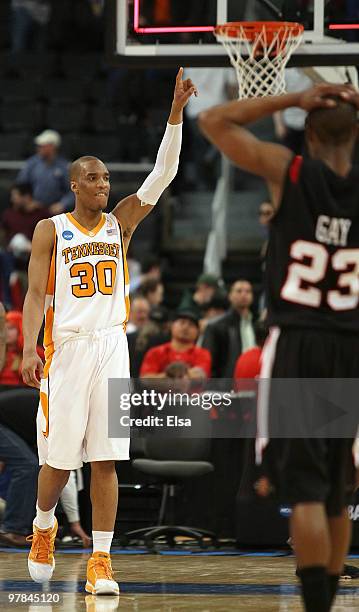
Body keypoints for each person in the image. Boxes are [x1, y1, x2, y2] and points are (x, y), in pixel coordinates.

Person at [21, 68, 197, 595]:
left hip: (112, 348)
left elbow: (162, 174)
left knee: (106, 458)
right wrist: (32, 347)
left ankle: (101, 558)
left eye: (106, 178)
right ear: (75, 184)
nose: (104, 185)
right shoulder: (50, 229)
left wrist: (174, 115)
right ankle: (44, 524)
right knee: (57, 461)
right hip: (66, 349)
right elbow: (34, 295)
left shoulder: (122, 222)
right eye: (94, 178)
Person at [199, 82, 359, 611]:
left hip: (298, 342)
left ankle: (316, 608)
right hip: (351, 345)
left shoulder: (291, 173)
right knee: (338, 491)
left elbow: (214, 121)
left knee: (309, 492)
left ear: (309, 134)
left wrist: (291, 98)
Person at [202, 279, 255, 378]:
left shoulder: (257, 325)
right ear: (230, 296)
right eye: (239, 291)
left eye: (248, 291)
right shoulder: (216, 326)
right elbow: (208, 361)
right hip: (227, 383)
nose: (244, 295)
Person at [140, 310, 211, 380]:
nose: (185, 327)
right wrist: (182, 374)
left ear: (198, 332)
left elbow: (201, 375)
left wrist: (168, 375)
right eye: (182, 322)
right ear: (172, 326)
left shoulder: (203, 354)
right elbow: (145, 379)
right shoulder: (155, 352)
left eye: (191, 325)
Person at [16, 130, 74, 215]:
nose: (38, 148)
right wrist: (28, 201)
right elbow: (21, 185)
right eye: (38, 146)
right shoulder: (31, 163)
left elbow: (73, 191)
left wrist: (62, 204)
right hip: (33, 210)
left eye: (42, 146)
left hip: (56, 212)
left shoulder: (64, 166)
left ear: (52, 147)